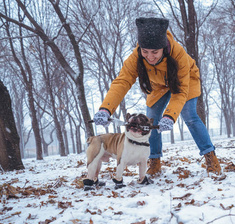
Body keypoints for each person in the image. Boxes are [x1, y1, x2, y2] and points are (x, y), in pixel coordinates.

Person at [93, 17, 221, 176]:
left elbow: (180, 92)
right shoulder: (136, 57)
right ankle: (154, 161)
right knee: (150, 119)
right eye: (145, 51)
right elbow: (122, 81)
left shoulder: (178, 54)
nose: (150, 57)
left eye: (155, 52)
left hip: (185, 81)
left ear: (163, 48)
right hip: (158, 85)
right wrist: (105, 109)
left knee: (190, 116)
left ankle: (210, 156)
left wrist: (170, 116)